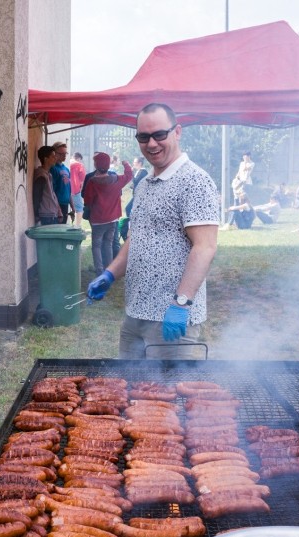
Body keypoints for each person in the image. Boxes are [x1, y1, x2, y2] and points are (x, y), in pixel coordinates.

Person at [86, 103, 218, 360]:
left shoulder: (195, 181)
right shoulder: (144, 184)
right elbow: (137, 237)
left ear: (177, 132)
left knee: (170, 397)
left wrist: (181, 304)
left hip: (171, 319)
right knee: (129, 393)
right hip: (135, 314)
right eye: (143, 137)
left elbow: (205, 247)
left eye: (160, 134)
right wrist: (110, 274)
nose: (152, 144)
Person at [82, 152, 132, 275]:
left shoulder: (92, 182)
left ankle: (99, 270)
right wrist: (125, 164)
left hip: (98, 220)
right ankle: (108, 271)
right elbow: (129, 175)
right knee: (108, 244)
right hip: (113, 219)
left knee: (97, 245)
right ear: (108, 165)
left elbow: (87, 200)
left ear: (95, 165)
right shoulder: (117, 179)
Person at [33, 145, 62, 225]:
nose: (55, 158)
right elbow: (37, 197)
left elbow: (52, 195)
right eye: (52, 156)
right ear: (46, 159)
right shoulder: (41, 176)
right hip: (46, 216)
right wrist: (37, 216)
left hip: (52, 214)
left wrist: (58, 211)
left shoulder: (48, 174)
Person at [50, 141, 72, 223]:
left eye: (65, 153)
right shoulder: (53, 168)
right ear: (54, 153)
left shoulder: (66, 169)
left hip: (65, 204)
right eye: (61, 153)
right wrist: (58, 209)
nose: (64, 156)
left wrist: (72, 206)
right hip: (57, 205)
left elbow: (69, 189)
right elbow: (52, 190)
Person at [69, 152, 86, 227]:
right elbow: (82, 180)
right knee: (79, 208)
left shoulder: (67, 163)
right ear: (79, 158)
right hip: (75, 190)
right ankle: (77, 226)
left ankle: (69, 225)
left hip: (66, 190)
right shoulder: (79, 165)